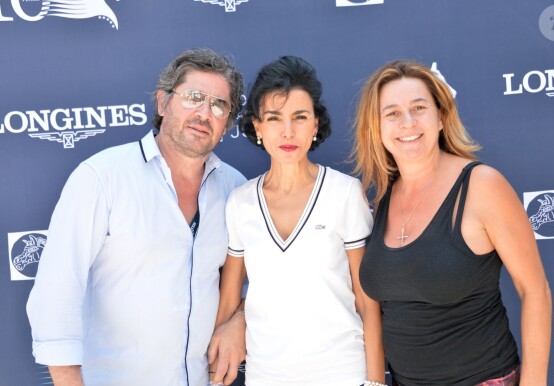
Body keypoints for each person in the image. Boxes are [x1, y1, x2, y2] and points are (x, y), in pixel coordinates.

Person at [26, 48, 247, 386]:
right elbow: (57, 290)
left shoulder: (236, 189)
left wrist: (240, 321)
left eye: (219, 105)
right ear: (163, 103)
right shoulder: (102, 177)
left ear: (227, 122)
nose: (204, 113)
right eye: (193, 97)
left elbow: (267, 283)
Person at [353, 60, 552, 386]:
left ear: (441, 117)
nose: (407, 122)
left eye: (419, 108)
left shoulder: (482, 186)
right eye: (392, 113)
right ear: (376, 127)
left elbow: (535, 291)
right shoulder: (384, 198)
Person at [209, 56, 385, 386]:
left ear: (315, 124)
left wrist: (374, 382)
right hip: (267, 377)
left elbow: (367, 299)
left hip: (343, 374)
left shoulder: (345, 193)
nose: (287, 131)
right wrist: (214, 372)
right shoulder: (241, 202)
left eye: (299, 117)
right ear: (258, 127)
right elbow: (230, 296)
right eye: (274, 118)